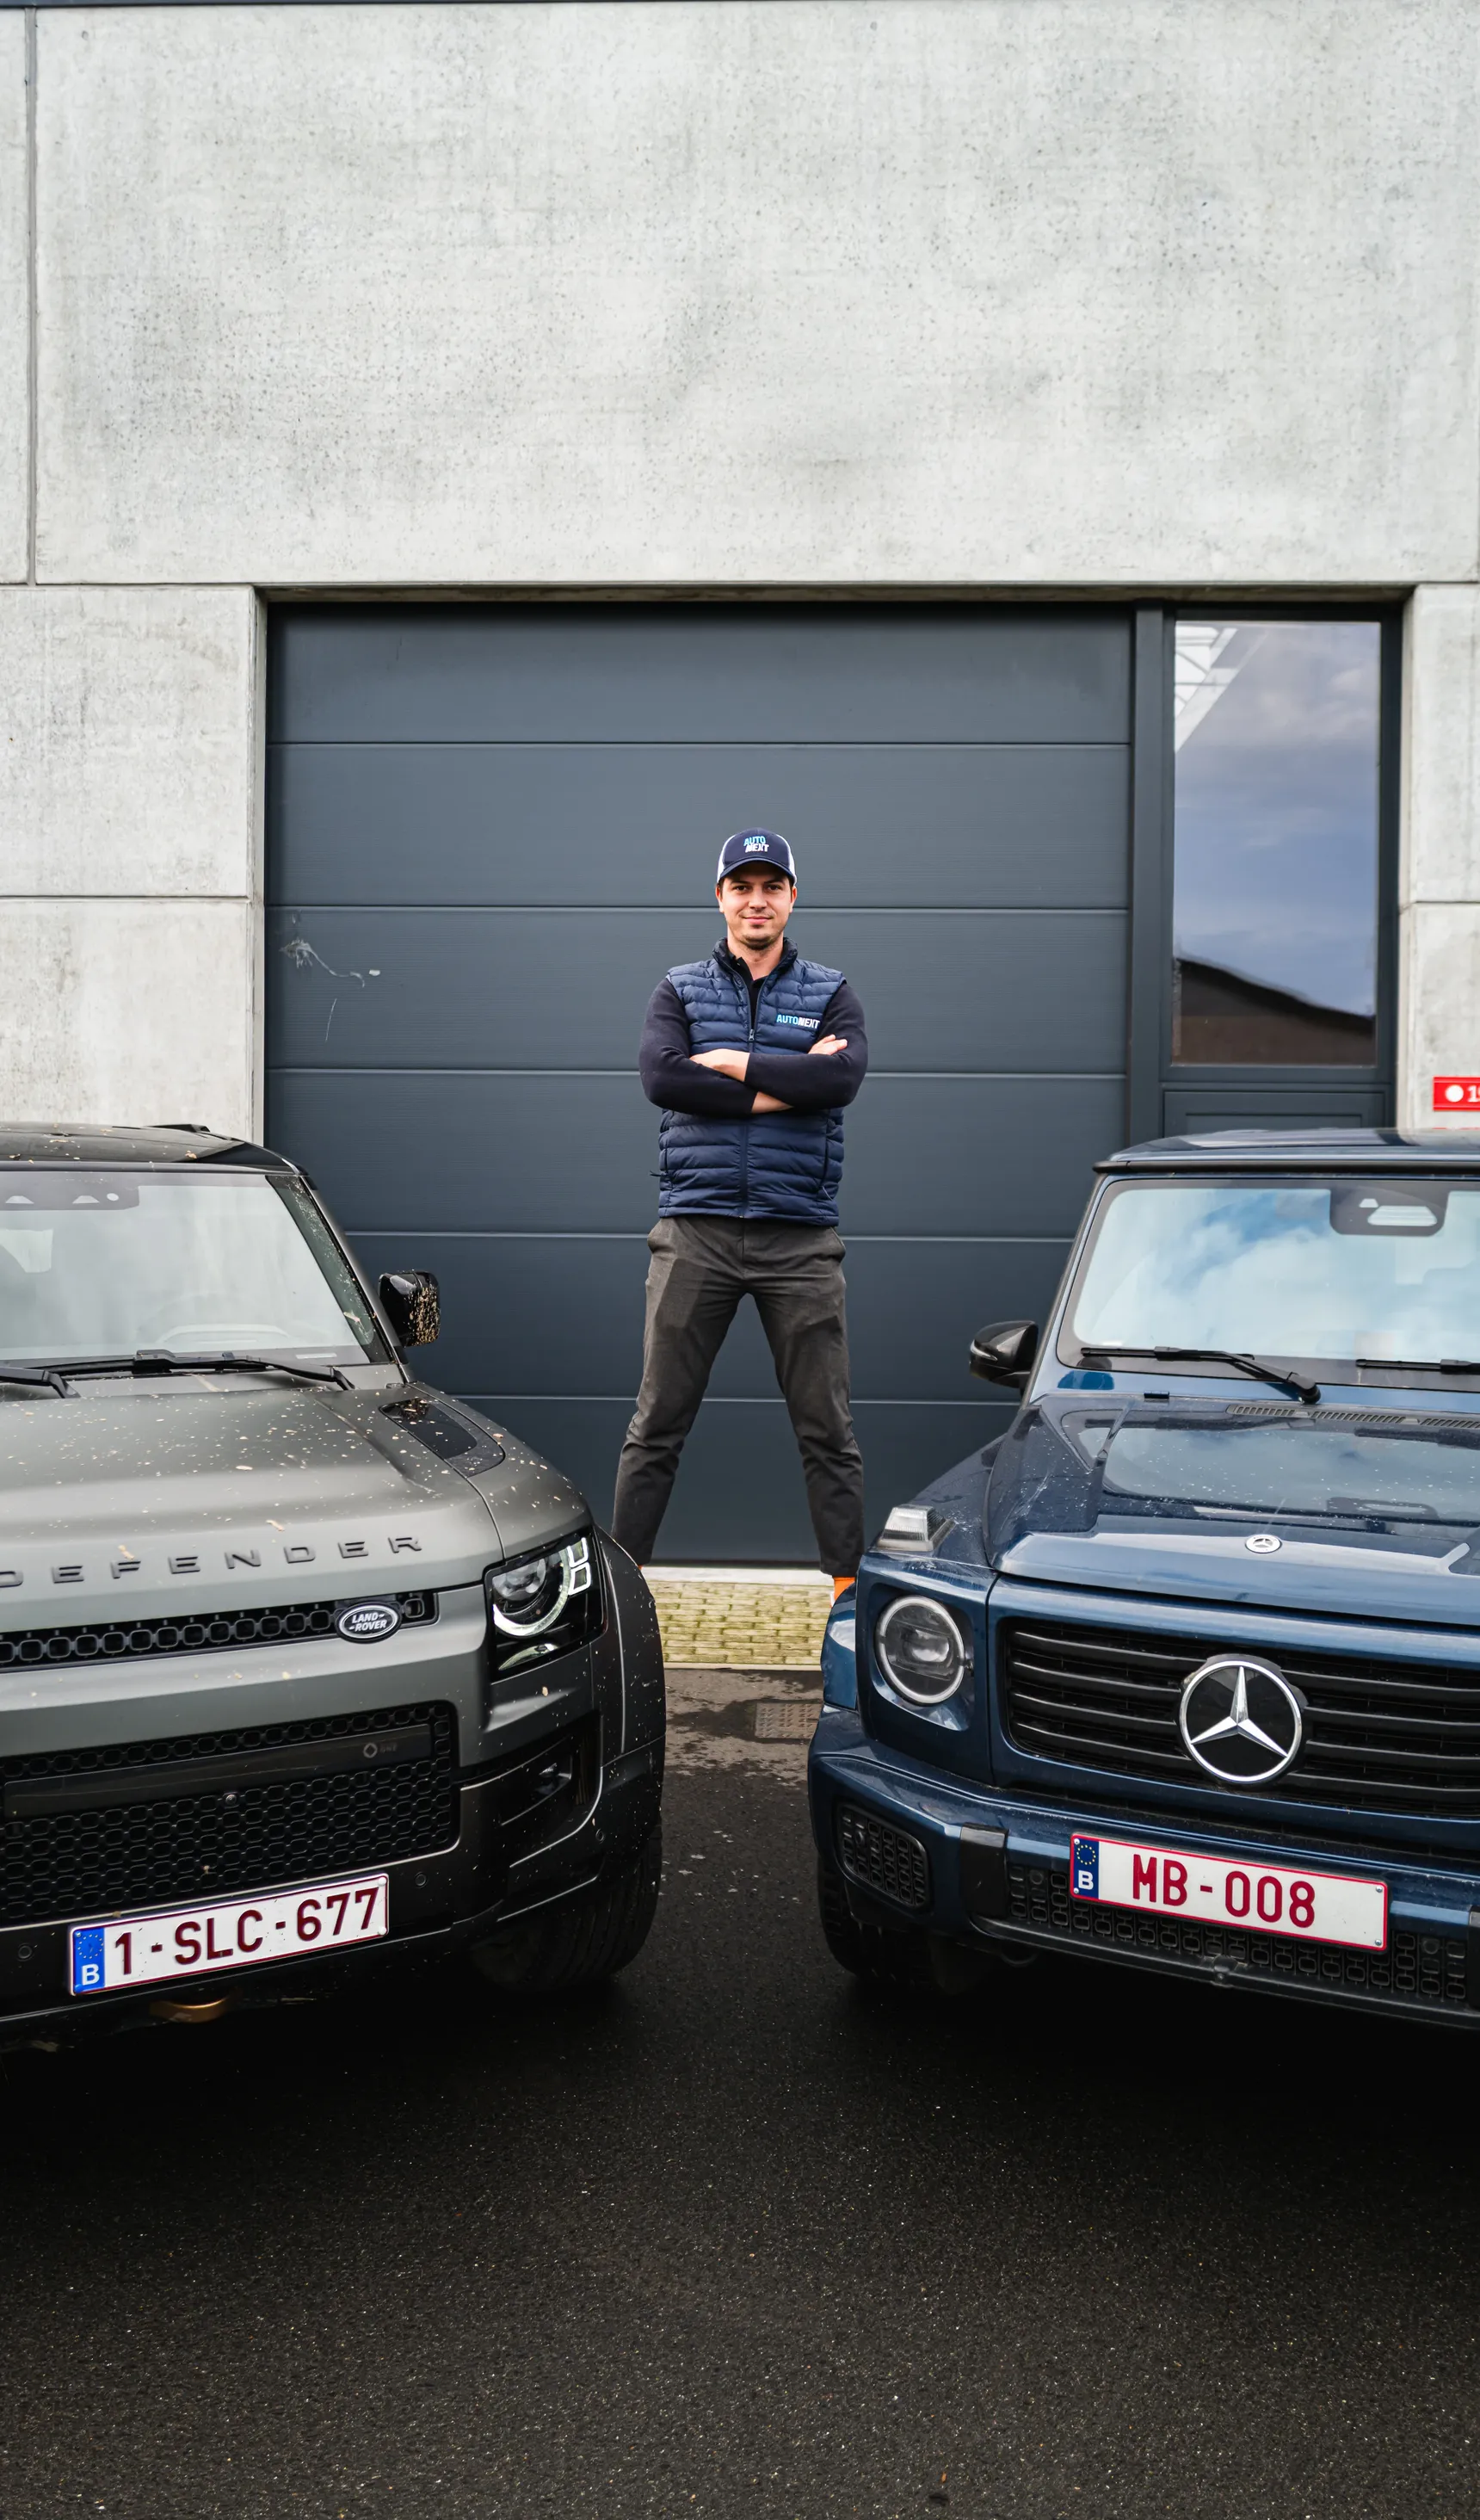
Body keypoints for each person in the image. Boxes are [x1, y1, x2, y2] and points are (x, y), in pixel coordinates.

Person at [611, 830, 868, 1600]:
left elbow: (841, 1080)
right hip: (696, 1232)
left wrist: (732, 1063)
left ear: (792, 897)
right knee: (657, 1423)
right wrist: (785, 1085)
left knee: (828, 1429)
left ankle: (847, 1596)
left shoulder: (831, 991)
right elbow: (663, 1079)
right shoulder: (679, 989)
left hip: (801, 1238)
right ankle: (623, 1591)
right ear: (720, 896)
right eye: (742, 887)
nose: (757, 901)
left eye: (771, 887)